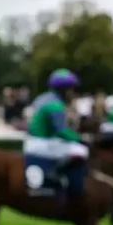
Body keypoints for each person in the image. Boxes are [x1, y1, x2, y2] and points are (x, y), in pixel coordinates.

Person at [22, 69, 89, 199]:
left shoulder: (42, 98)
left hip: (36, 141)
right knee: (81, 151)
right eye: (72, 89)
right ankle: (58, 178)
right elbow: (62, 131)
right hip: (41, 143)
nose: (73, 93)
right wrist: (81, 139)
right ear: (64, 90)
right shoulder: (55, 105)